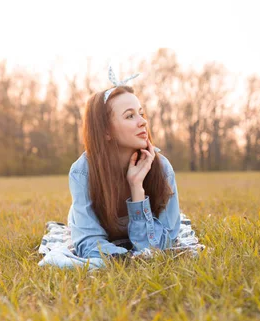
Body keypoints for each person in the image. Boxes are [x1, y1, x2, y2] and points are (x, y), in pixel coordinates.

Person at [68, 68, 181, 261]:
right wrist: (129, 260)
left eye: (141, 113)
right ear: (105, 131)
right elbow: (88, 243)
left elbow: (163, 244)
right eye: (130, 116)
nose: (143, 122)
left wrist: (137, 189)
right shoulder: (82, 172)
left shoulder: (162, 168)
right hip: (84, 224)